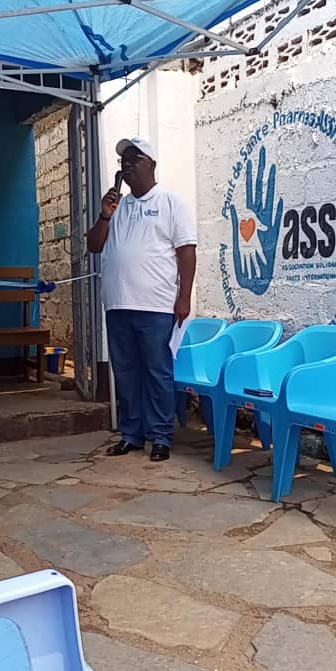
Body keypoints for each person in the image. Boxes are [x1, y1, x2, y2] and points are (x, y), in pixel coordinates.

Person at [88, 137, 197, 462]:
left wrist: (184, 297)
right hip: (118, 305)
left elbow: (186, 251)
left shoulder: (170, 203)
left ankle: (160, 437)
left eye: (134, 159)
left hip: (156, 306)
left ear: (151, 164)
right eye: (123, 161)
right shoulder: (117, 208)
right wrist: (104, 215)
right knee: (126, 373)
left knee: (157, 372)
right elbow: (94, 245)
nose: (127, 165)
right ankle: (131, 435)